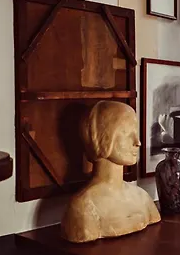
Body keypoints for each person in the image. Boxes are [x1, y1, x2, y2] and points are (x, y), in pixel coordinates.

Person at [61, 101, 161, 243]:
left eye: (135, 132)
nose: (137, 142)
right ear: (102, 138)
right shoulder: (83, 207)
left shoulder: (142, 198)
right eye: (126, 132)